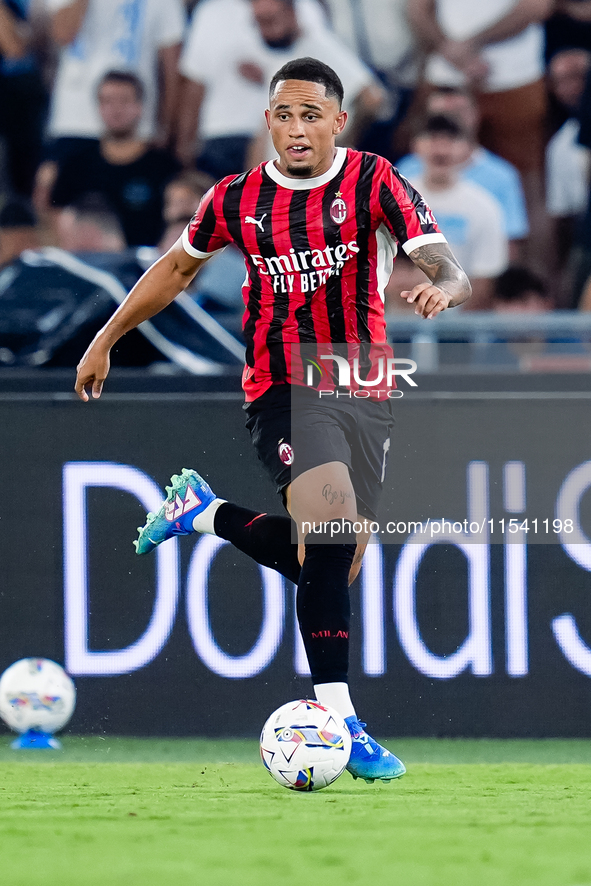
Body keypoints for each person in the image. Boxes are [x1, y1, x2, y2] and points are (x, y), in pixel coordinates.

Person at [75, 57, 471, 783]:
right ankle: (343, 724)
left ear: (337, 122)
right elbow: (175, 269)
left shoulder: (373, 180)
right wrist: (106, 337)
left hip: (363, 387)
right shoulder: (235, 198)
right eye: (283, 115)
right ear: (267, 121)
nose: (296, 129)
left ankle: (203, 513)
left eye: (310, 115)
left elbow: (446, 262)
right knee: (327, 535)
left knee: (327, 560)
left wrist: (442, 287)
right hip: (282, 384)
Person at [177, 0, 383, 177]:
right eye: (260, 24)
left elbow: (372, 98)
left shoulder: (317, 47)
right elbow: (265, 128)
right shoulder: (278, 60)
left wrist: (337, 146)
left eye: (271, 21)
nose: (265, 31)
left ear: (291, 13)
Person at [50, 71, 180, 247]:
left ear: (140, 106)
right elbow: (55, 217)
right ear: (98, 106)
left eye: (124, 101)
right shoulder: (76, 165)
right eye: (108, 101)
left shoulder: (165, 167)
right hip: (89, 264)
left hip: (147, 267)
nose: (116, 109)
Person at [396, 86, 529, 259]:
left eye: (458, 113)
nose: (449, 121)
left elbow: (510, 246)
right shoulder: (404, 171)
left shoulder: (502, 176)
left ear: (475, 115)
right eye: (441, 114)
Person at [394, 114, 507, 309]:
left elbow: (485, 276)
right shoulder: (392, 199)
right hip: (397, 319)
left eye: (450, 140)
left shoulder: (484, 207)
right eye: (432, 138)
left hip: (458, 325)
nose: (441, 149)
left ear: (467, 149)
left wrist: (455, 331)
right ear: (416, 145)